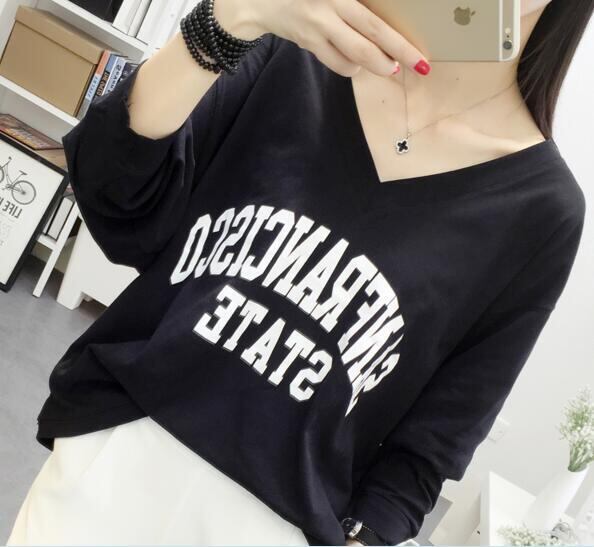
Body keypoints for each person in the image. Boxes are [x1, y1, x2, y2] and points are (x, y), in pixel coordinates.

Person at [7, 0, 591, 545]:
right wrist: (233, 16)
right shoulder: (293, 48)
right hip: (110, 461)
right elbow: (114, 195)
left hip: (277, 527)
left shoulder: (541, 210)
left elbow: (428, 451)